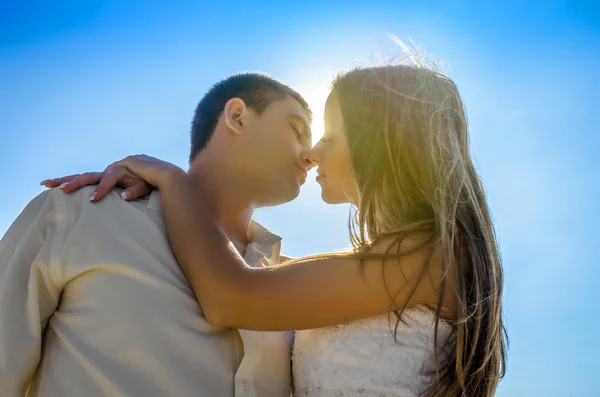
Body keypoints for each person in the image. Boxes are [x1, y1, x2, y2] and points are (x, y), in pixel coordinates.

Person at [47, 65, 508, 396]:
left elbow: (232, 296)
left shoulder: (434, 258)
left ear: (381, 142)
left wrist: (170, 179)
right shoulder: (391, 261)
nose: (313, 154)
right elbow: (256, 273)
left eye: (329, 136)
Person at [0, 73, 314, 397]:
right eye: (297, 130)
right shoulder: (79, 211)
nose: (311, 155)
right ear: (237, 117)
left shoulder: (290, 282)